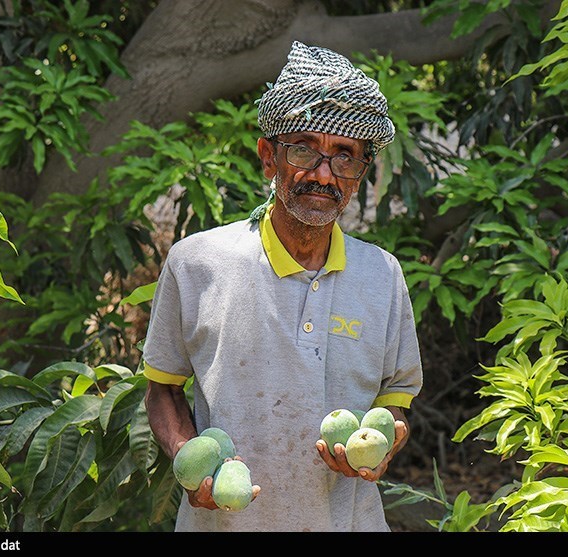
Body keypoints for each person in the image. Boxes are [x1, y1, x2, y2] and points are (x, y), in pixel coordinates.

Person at [142, 40, 423, 532]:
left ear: (359, 174)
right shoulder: (198, 262)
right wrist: (190, 460)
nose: (323, 174)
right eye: (304, 150)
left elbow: (394, 402)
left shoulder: (383, 275)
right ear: (268, 157)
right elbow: (162, 389)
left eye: (345, 157)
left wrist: (384, 445)